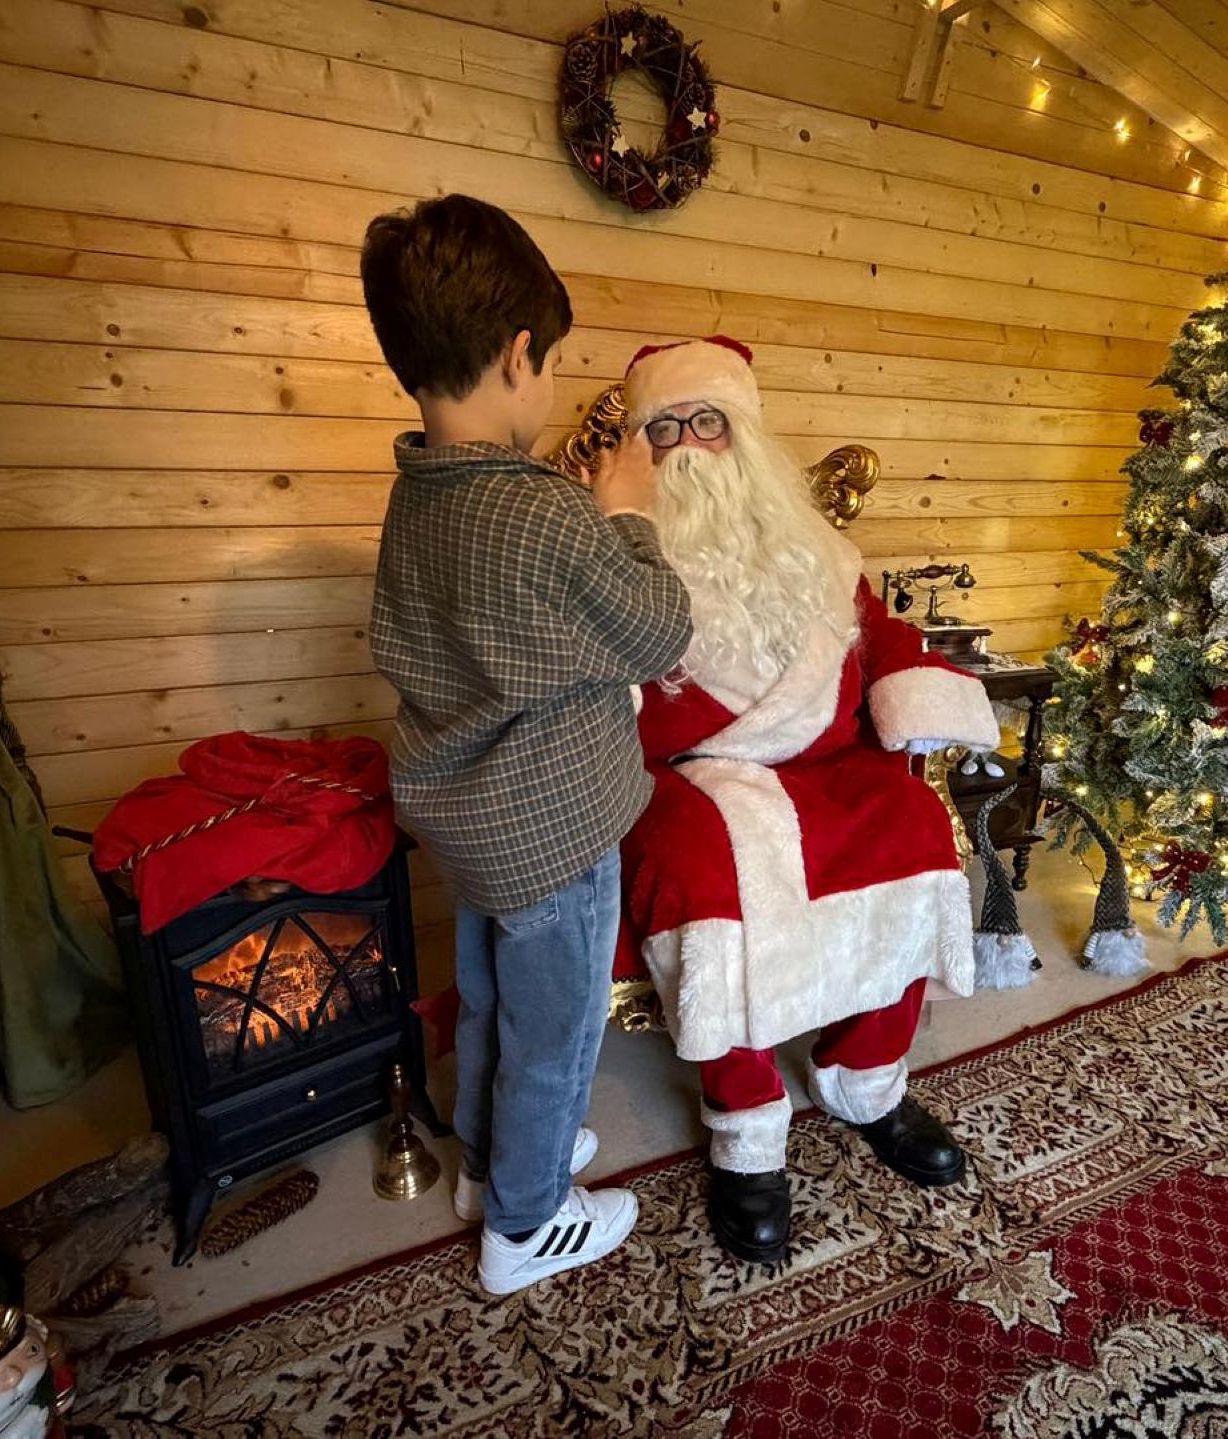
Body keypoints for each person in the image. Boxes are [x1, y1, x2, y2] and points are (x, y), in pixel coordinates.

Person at [362, 196, 692, 1294]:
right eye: (547, 362)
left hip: (471, 824)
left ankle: (486, 1160)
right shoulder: (545, 513)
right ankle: (525, 1218)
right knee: (556, 1030)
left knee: (494, 994)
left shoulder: (415, 495)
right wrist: (628, 514)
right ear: (515, 356)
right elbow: (656, 631)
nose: (548, 381)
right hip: (555, 829)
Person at [617, 336, 1000, 1264]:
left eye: (707, 421)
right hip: (699, 775)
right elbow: (599, 675)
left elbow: (881, 637)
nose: (689, 447)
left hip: (826, 764)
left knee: (912, 822)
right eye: (663, 429)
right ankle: (746, 1123)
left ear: (744, 433)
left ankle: (865, 1076)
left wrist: (918, 697)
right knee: (705, 865)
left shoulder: (819, 554)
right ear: (641, 449)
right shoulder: (622, 557)